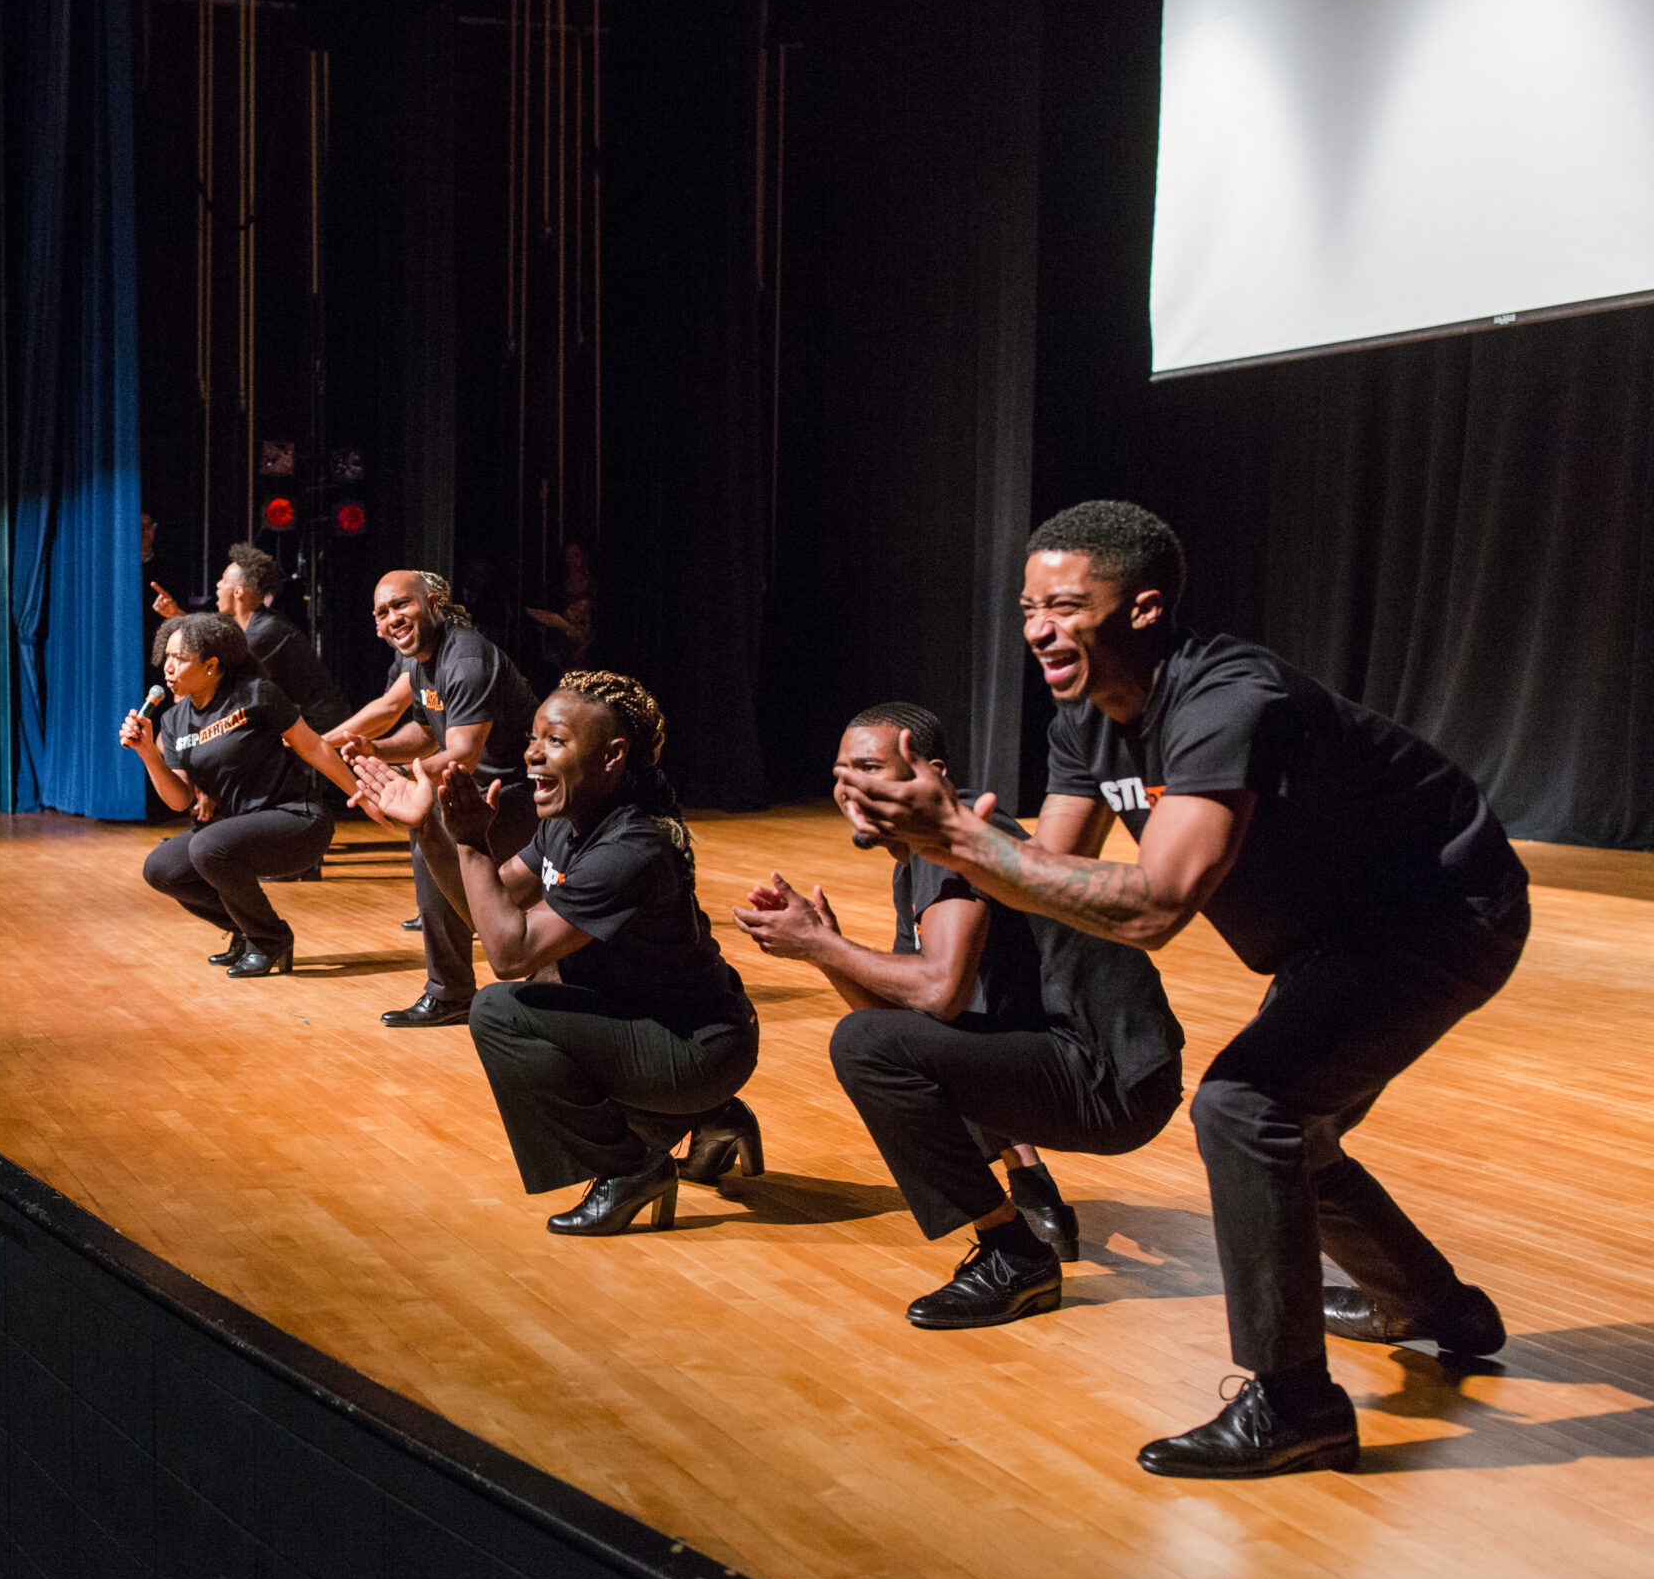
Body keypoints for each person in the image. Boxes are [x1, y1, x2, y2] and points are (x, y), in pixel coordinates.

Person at [836, 500, 1530, 1480]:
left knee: (1246, 1106)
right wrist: (939, 842)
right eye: (1029, 607)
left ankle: (1295, 1406)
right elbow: (1047, 879)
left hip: (1443, 912)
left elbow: (1156, 904)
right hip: (1332, 937)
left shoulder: (1227, 701)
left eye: (1065, 606)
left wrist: (960, 839)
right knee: (1292, 1128)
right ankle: (1430, 1305)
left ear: (1145, 608)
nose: (1037, 629)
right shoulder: (1085, 721)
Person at [734, 703, 1185, 1327]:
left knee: (866, 1043)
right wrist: (824, 951)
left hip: (1111, 1076)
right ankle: (1030, 1191)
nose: (850, 787)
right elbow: (908, 1020)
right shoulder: (917, 863)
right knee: (889, 1043)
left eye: (869, 767)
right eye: (841, 772)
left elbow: (939, 991)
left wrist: (823, 944)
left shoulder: (961, 836)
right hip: (1087, 1065)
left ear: (932, 772)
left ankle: (1013, 1253)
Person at [355, 671, 760, 1236]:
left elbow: (508, 954)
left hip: (700, 1048)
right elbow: (490, 910)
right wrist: (428, 830)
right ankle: (710, 1116)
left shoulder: (631, 847)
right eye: (533, 738)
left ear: (613, 755)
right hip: (659, 1026)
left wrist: (470, 841)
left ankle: (632, 1167)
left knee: (501, 1010)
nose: (532, 754)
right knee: (544, 977)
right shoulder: (569, 826)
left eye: (556, 741)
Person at [327, 571, 541, 1028]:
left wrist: (407, 778)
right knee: (429, 841)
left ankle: (456, 990)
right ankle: (457, 988)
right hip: (476, 789)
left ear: (433, 603)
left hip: (525, 793)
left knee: (434, 847)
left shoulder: (465, 658)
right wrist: (376, 749)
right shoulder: (419, 663)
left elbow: (463, 751)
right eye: (382, 613)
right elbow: (427, 733)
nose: (392, 618)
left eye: (401, 605)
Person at [122, 614, 373, 976]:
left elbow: (313, 746)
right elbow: (180, 800)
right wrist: (148, 752)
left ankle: (269, 939)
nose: (168, 666)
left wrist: (360, 794)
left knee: (206, 845)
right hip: (235, 832)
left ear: (211, 665)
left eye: (179, 657)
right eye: (167, 656)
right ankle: (246, 929)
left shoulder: (256, 694)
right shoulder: (175, 721)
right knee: (161, 868)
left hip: (295, 820)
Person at [152, 542, 349, 735]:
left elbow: (220, 676)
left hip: (322, 728)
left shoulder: (266, 631)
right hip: (301, 725)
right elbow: (214, 644)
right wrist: (176, 614)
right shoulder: (252, 626)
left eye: (223, 580)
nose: (218, 585)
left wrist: (187, 688)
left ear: (238, 591)